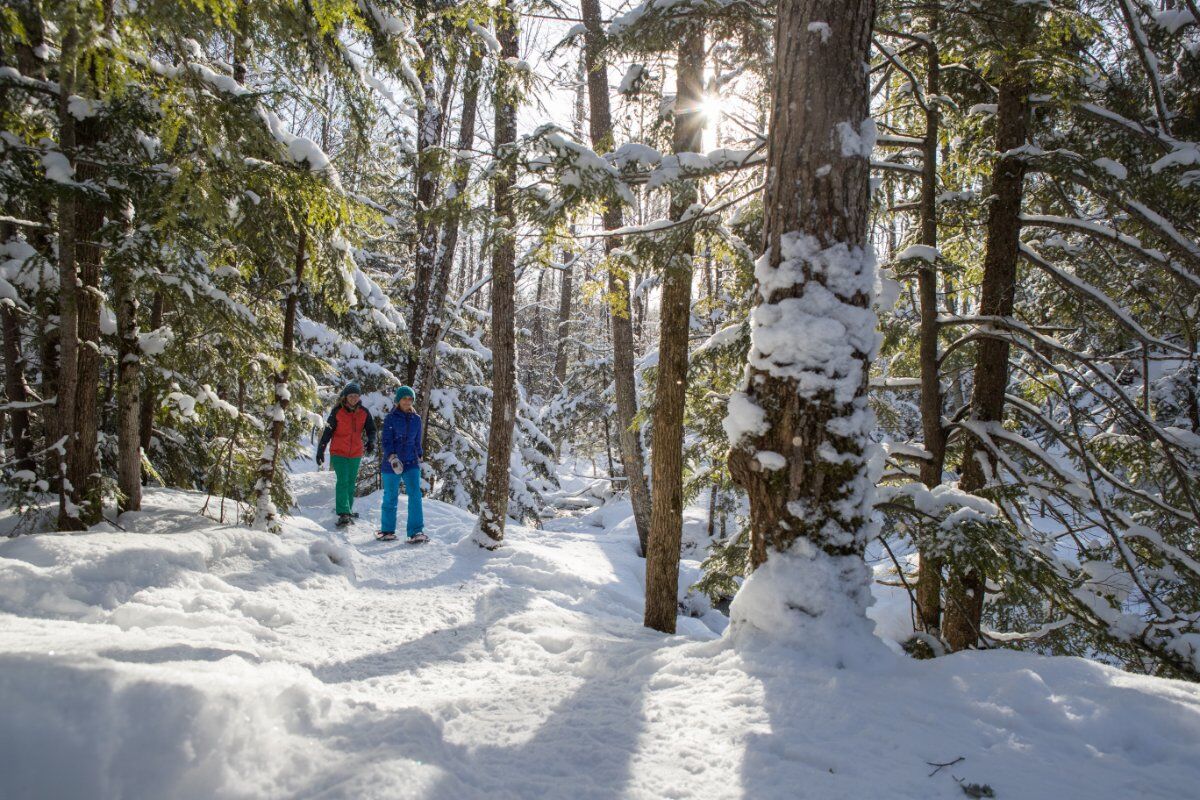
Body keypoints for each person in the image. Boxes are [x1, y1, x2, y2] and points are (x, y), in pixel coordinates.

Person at [316, 381, 376, 527]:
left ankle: (347, 509)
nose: (353, 398)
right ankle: (343, 512)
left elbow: (371, 429)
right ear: (345, 396)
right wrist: (321, 449)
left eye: (356, 395)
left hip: (355, 453)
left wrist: (371, 441)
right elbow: (328, 431)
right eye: (351, 395)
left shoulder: (364, 412)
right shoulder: (337, 411)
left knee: (350, 482)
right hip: (339, 452)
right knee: (343, 480)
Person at [378, 385, 428, 543]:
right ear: (398, 400)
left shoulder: (416, 419)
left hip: (411, 462)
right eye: (404, 398)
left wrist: (419, 454)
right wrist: (392, 457)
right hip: (392, 462)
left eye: (410, 398)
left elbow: (416, 440)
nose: (407, 401)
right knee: (391, 496)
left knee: (415, 495)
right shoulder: (391, 418)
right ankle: (387, 530)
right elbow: (386, 440)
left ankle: (415, 531)